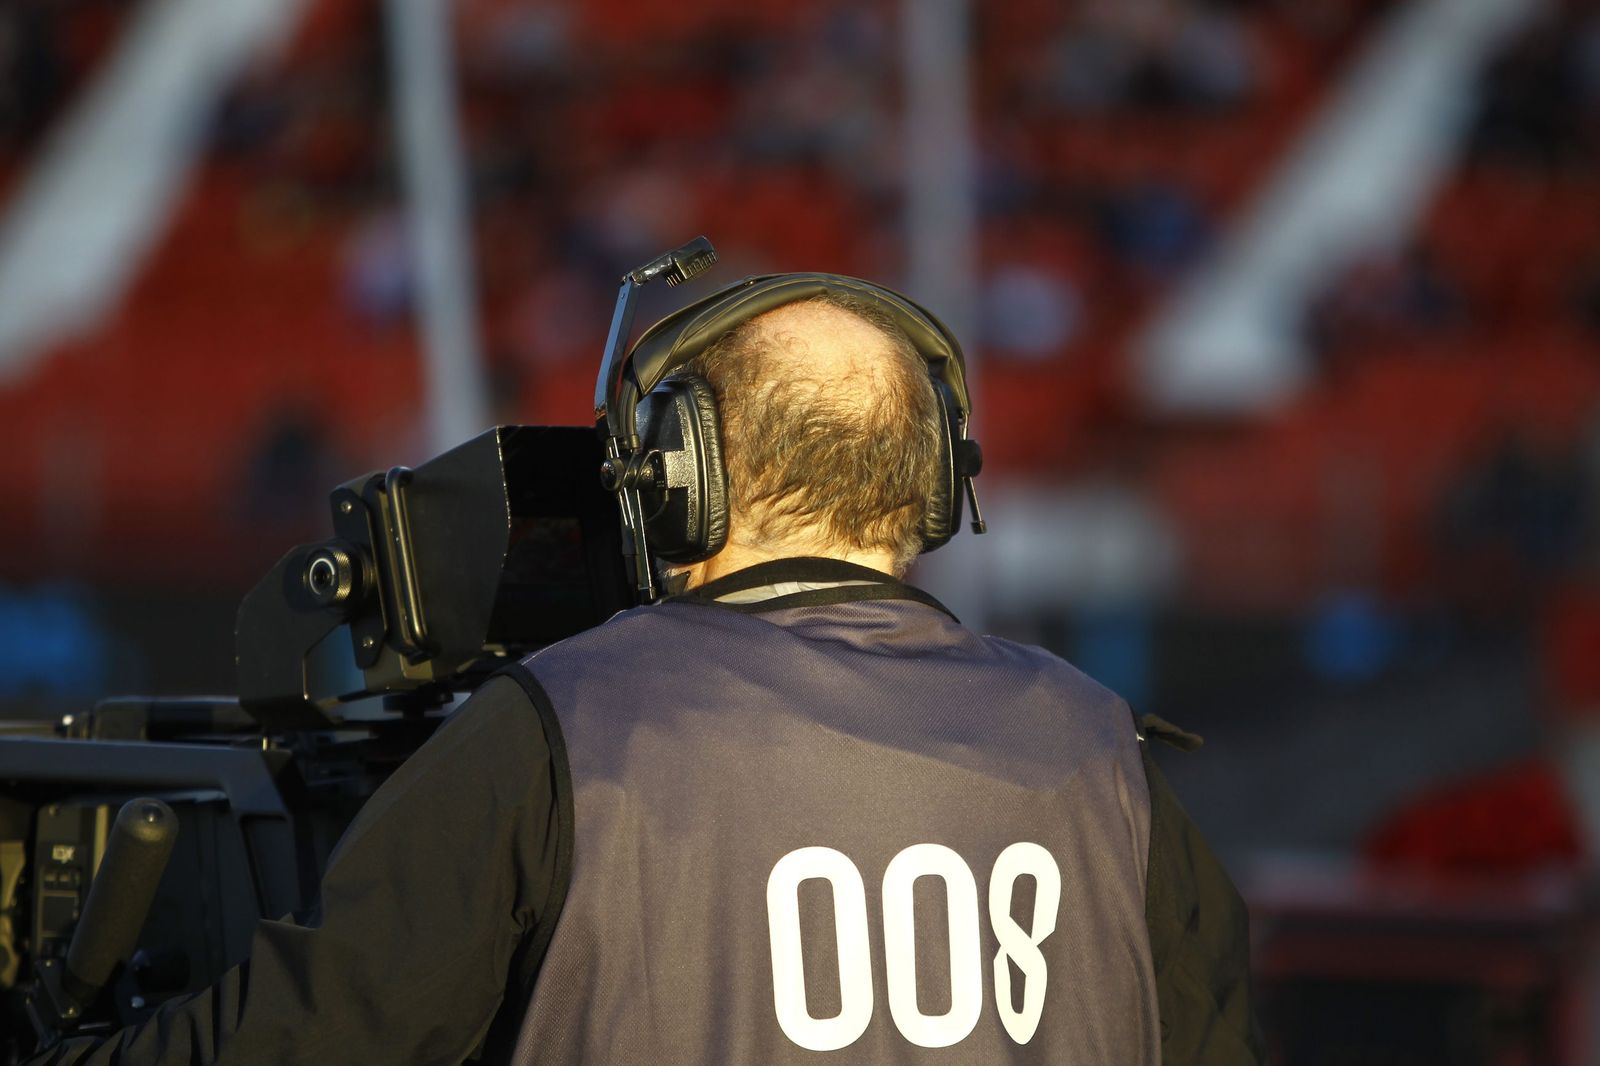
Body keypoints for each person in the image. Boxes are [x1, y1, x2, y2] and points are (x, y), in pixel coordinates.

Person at [32, 283, 1261, 1064]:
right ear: (937, 479)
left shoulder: (567, 724)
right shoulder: (1100, 745)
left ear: (677, 480)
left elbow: (310, 1041)